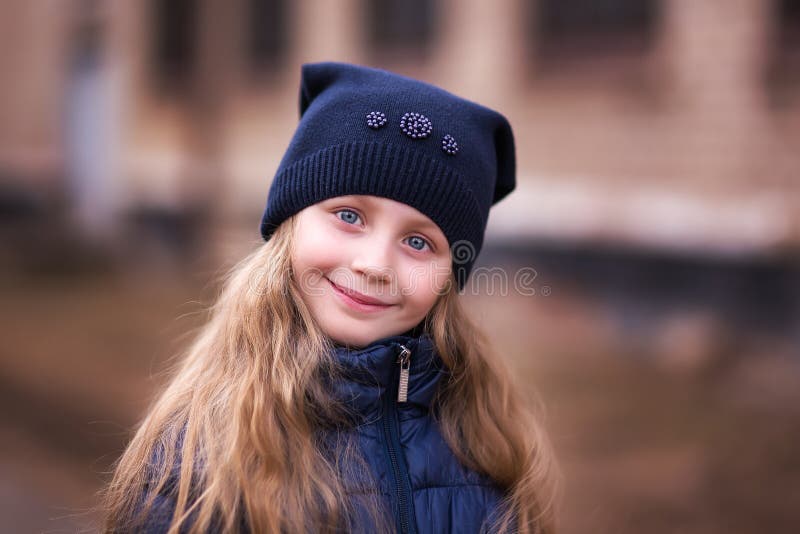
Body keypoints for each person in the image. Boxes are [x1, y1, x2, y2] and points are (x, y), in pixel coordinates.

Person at [102, 61, 560, 533]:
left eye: (419, 242)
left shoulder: (490, 450)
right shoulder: (201, 458)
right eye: (349, 215)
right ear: (290, 225)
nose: (375, 265)